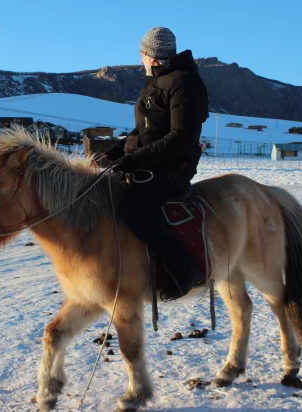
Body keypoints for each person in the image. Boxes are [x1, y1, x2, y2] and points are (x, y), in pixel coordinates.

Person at [106, 27, 209, 300]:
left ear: (150, 56)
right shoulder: (158, 82)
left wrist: (134, 159)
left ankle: (183, 267)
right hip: (148, 164)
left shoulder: (185, 83)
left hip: (171, 170)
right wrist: (116, 152)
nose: (140, 60)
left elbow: (182, 137)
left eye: (141, 55)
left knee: (132, 210)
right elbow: (145, 130)